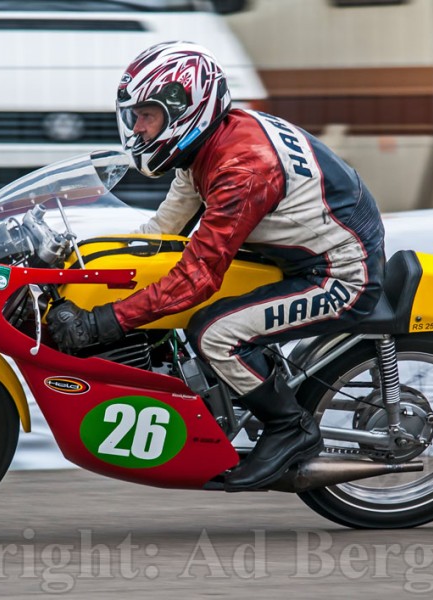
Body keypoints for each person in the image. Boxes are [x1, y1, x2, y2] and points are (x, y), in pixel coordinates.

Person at [46, 41, 386, 491]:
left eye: (147, 115)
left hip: (340, 273)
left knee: (215, 332)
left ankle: (291, 428)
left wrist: (104, 323)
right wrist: (84, 260)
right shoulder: (205, 148)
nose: (140, 129)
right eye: (136, 117)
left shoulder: (241, 169)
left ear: (185, 108)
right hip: (295, 255)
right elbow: (161, 233)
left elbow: (198, 276)